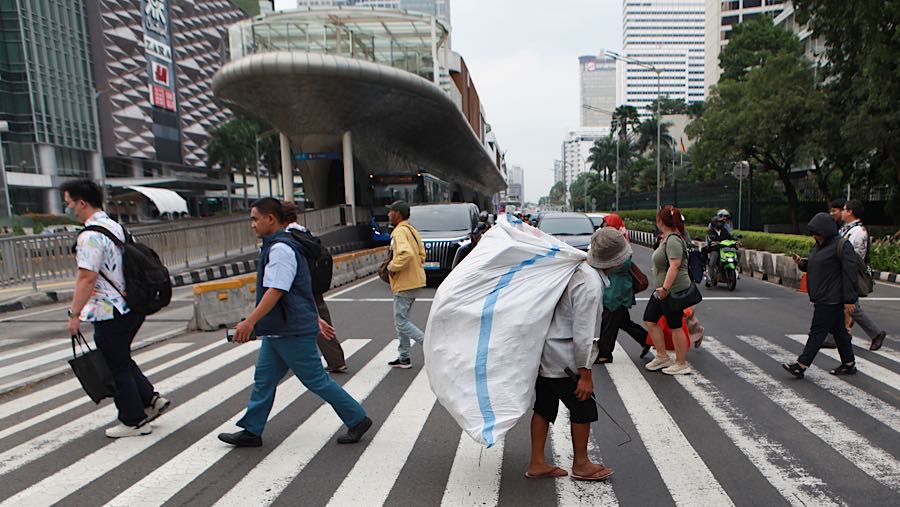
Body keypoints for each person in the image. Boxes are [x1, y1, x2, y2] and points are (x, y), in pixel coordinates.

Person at [218, 198, 371, 447]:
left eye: (255, 219)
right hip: (280, 329)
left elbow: (277, 290)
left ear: (270, 219)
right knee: (264, 380)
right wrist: (315, 318)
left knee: (316, 381)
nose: (252, 225)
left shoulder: (280, 250)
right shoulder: (275, 246)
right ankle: (251, 430)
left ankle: (357, 418)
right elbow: (299, 293)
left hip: (290, 330)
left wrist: (249, 322)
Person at [62, 179, 169, 438]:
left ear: (82, 203)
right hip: (132, 304)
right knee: (119, 357)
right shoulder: (113, 226)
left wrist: (74, 314)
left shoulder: (90, 236)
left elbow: (87, 277)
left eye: (69, 204)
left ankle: (133, 420)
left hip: (109, 310)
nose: (68, 209)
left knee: (114, 364)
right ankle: (150, 400)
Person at [526, 228, 626, 482]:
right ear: (615, 261)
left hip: (546, 352)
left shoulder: (577, 268)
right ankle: (581, 464)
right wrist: (585, 375)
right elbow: (585, 336)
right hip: (564, 359)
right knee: (583, 408)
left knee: (544, 407)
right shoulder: (591, 286)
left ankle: (537, 462)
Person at [782, 212, 859, 378]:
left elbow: (850, 274)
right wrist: (802, 263)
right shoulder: (819, 246)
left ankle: (801, 365)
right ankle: (849, 363)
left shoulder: (842, 246)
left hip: (832, 298)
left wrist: (850, 299)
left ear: (825, 231)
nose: (813, 236)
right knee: (839, 331)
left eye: (816, 233)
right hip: (823, 295)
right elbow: (816, 265)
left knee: (817, 332)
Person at [281, 202, 348, 372]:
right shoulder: (305, 234)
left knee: (294, 323)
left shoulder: (287, 238)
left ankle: (298, 362)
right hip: (314, 286)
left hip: (298, 288)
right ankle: (335, 359)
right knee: (321, 321)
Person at [643, 205, 693, 375]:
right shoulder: (665, 238)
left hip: (672, 290)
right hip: (662, 290)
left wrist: (665, 288)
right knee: (650, 319)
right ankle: (662, 356)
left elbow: (675, 265)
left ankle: (681, 363)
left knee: (675, 325)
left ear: (660, 220)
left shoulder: (673, 240)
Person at [595, 214, 649, 362]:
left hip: (617, 289)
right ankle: (647, 339)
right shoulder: (612, 239)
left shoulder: (620, 242)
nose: (603, 226)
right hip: (614, 286)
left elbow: (622, 264)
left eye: (606, 224)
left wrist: (602, 263)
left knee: (610, 319)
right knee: (621, 320)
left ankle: (604, 353)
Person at [384, 200, 427, 369]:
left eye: (391, 211)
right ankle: (404, 357)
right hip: (415, 280)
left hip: (405, 283)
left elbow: (406, 254)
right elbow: (421, 255)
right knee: (402, 320)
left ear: (398, 214)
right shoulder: (412, 231)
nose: (388, 214)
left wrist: (391, 267)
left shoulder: (399, 232)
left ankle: (428, 345)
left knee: (401, 321)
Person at [841, 200, 887, 351]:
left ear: (850, 212)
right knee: (846, 305)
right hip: (844, 271)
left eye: (844, 209)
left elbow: (857, 256)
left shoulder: (859, 232)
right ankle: (840, 334)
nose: (842, 212)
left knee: (852, 306)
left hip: (852, 273)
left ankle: (876, 333)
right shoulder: (847, 229)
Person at [704, 217, 734, 287]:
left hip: (724, 249)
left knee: (737, 253)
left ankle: (734, 270)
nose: (721, 224)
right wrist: (716, 242)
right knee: (712, 262)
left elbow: (730, 237)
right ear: (714, 223)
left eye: (722, 222)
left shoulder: (724, 231)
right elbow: (711, 239)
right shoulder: (710, 232)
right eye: (719, 222)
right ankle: (709, 279)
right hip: (715, 249)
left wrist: (736, 241)